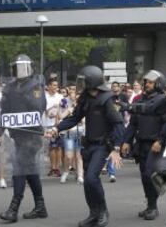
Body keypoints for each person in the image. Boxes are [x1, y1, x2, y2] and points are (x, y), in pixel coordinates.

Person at [50, 65, 124, 227]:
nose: (80, 84)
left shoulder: (107, 99)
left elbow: (118, 124)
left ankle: (103, 211)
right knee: (89, 182)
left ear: (92, 82)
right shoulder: (85, 98)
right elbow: (74, 118)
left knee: (91, 178)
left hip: (102, 146)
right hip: (88, 145)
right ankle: (93, 213)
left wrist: (116, 148)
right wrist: (56, 128)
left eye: (83, 81)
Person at [0, 54, 48, 224]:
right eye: (17, 67)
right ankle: (40, 206)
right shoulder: (10, 87)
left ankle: (13, 208)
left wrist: (21, 94)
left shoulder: (36, 85)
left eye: (24, 67)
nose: (20, 71)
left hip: (31, 135)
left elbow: (39, 107)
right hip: (17, 135)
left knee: (19, 168)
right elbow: (4, 111)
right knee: (30, 170)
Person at [121, 70, 166, 221]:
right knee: (144, 176)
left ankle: (153, 207)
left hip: (155, 144)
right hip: (141, 143)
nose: (146, 84)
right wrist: (126, 141)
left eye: (150, 82)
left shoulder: (163, 100)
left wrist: (160, 140)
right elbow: (133, 124)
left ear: (158, 83)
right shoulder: (138, 99)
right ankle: (150, 205)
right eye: (146, 81)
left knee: (150, 174)